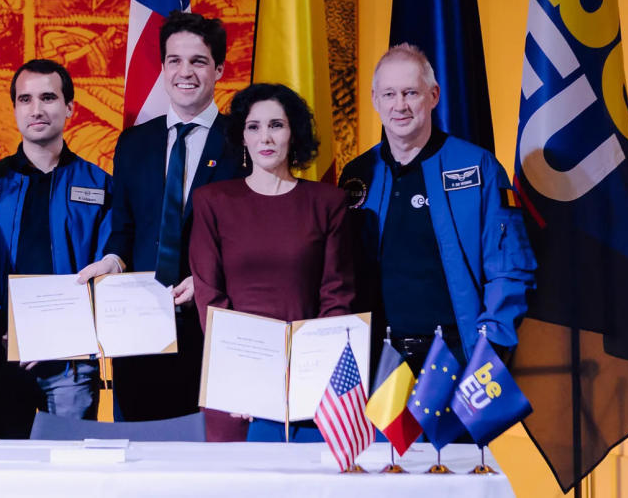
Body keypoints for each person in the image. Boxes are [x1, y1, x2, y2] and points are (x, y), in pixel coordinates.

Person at [80, 11, 245, 421]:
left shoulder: (243, 142)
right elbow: (125, 228)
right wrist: (112, 261)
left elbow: (253, 239)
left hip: (214, 327)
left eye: (198, 61)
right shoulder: (134, 143)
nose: (184, 72)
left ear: (219, 69)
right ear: (163, 67)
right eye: (174, 60)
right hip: (140, 329)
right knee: (140, 459)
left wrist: (206, 283)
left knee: (210, 467)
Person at [339, 43, 537, 374]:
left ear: (433, 95)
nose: (399, 105)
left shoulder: (478, 168)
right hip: (377, 361)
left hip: (458, 359)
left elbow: (510, 267)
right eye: (389, 94)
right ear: (374, 99)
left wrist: (490, 347)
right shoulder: (357, 176)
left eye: (410, 93)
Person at [189, 83, 354, 441]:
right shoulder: (212, 201)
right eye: (254, 126)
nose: (265, 136)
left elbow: (336, 297)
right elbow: (208, 295)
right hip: (234, 379)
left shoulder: (328, 202)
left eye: (276, 125)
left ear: (294, 132)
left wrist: (308, 369)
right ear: (243, 137)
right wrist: (248, 374)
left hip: (307, 379)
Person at [0, 59, 111, 439]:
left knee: (71, 478)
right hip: (0, 358)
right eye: (25, 99)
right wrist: (0, 332)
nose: (37, 109)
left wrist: (58, 335)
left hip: (71, 368)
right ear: (14, 109)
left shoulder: (101, 187)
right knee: (3, 480)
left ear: (69, 108)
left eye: (48, 97)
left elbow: (110, 276)